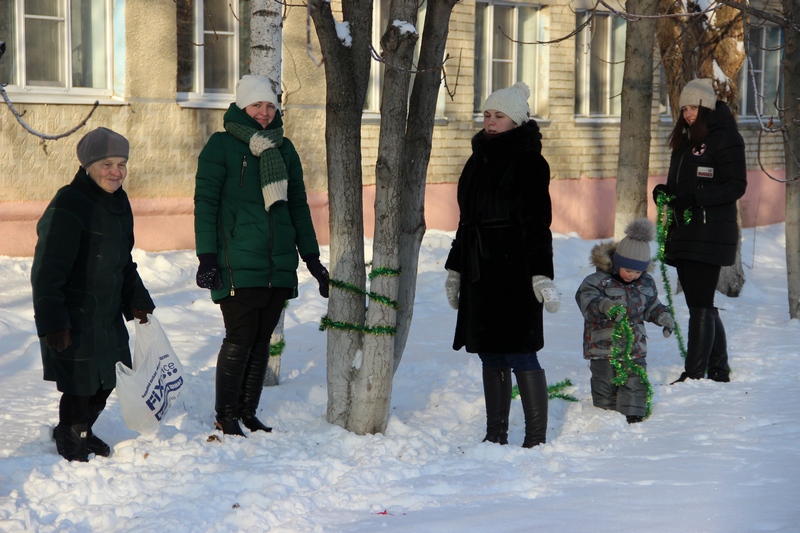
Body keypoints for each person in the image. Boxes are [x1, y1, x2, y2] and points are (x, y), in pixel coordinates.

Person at [194, 74, 329, 436]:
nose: (265, 113)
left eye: (270, 106)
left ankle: (247, 412)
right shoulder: (220, 147)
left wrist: (312, 260)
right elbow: (205, 203)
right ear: (241, 106)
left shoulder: (284, 148)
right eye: (257, 105)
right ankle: (226, 415)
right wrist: (207, 257)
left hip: (278, 263)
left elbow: (298, 206)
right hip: (237, 261)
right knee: (239, 339)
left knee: (261, 342)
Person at [444, 82, 559, 448]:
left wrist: (541, 274)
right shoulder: (477, 158)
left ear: (517, 121)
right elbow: (467, 220)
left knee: (521, 352)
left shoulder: (528, 161)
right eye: (488, 115)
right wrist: (455, 268)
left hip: (515, 269)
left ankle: (535, 437)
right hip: (480, 269)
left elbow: (536, 222)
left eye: (500, 116)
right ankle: (496, 434)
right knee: (490, 353)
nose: (491, 122)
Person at [31, 127, 155, 462]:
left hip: (107, 314)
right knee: (79, 383)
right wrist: (54, 321)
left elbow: (123, 261)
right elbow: (47, 270)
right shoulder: (70, 203)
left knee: (109, 378)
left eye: (122, 164)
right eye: (107, 165)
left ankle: (81, 426)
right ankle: (72, 435)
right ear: (88, 166)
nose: (116, 172)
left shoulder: (119, 203)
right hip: (74, 315)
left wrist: (138, 301)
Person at [652, 78, 746, 383]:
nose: (688, 113)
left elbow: (736, 185)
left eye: (694, 107)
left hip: (710, 230)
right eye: (684, 108)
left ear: (706, 107)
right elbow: (686, 184)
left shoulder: (725, 138)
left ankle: (693, 374)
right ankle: (718, 369)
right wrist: (666, 191)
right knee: (700, 302)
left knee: (700, 305)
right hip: (686, 230)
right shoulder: (687, 139)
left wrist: (697, 199)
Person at [575, 218, 675, 423]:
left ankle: (633, 415)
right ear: (618, 263)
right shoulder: (598, 281)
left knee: (635, 380)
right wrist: (605, 306)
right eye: (628, 270)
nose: (632, 275)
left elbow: (651, 306)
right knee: (604, 382)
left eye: (638, 271)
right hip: (603, 346)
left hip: (634, 346)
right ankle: (605, 415)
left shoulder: (645, 282)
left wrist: (663, 316)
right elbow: (586, 302)